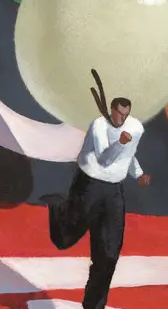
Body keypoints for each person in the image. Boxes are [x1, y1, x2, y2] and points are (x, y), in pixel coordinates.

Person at [39, 96, 152, 309]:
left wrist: (138, 174)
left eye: (126, 114)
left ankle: (93, 306)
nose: (122, 118)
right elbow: (105, 160)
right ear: (112, 110)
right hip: (89, 185)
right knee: (64, 239)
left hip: (114, 193)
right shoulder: (98, 126)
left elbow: (129, 155)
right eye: (119, 113)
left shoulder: (134, 128)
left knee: (108, 255)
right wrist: (120, 142)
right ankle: (57, 207)